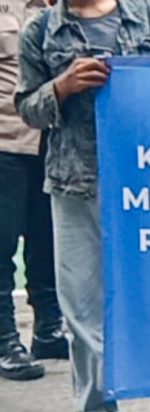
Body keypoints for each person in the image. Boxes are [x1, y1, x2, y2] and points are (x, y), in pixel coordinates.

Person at [14, 0, 150, 412]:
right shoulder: (41, 31)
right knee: (82, 309)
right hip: (75, 185)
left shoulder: (148, 14)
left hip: (148, 182)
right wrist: (61, 87)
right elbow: (26, 107)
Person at [0, 0, 68, 383]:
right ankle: (5, 340)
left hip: (50, 140)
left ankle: (48, 329)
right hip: (4, 142)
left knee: (46, 241)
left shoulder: (57, 8)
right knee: (2, 244)